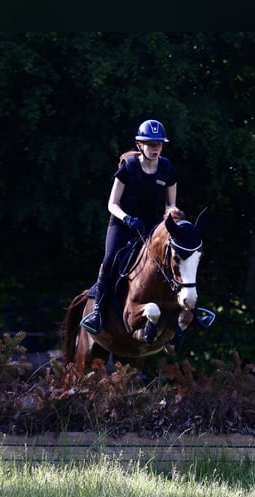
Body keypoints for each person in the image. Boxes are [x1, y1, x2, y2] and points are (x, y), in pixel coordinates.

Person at [80, 119, 179, 335]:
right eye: (150, 144)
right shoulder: (128, 168)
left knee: (176, 257)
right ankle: (97, 311)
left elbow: (170, 204)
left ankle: (186, 311)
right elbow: (111, 204)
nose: (155, 148)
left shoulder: (167, 169)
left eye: (158, 144)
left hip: (152, 226)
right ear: (139, 145)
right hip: (123, 223)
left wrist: (172, 217)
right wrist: (127, 219)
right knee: (109, 260)